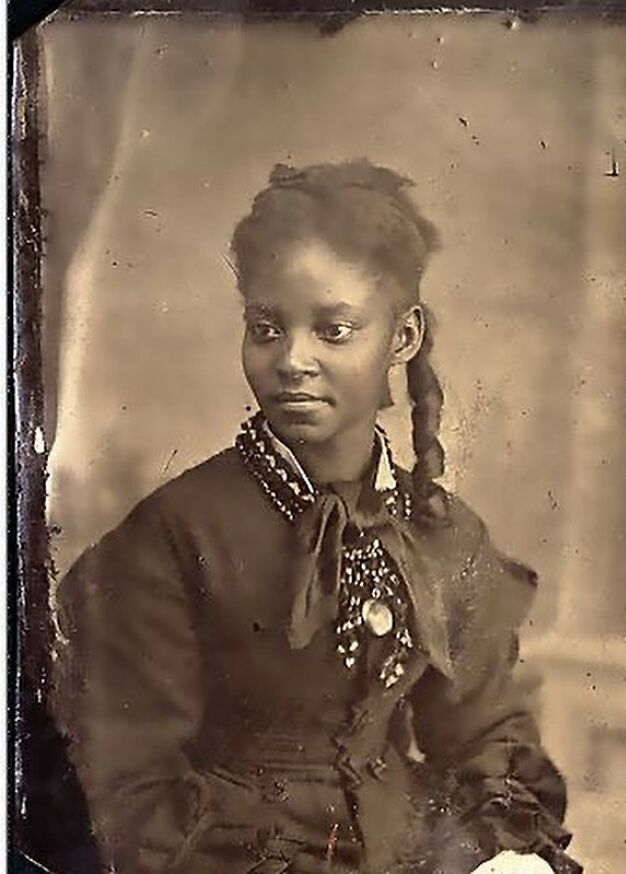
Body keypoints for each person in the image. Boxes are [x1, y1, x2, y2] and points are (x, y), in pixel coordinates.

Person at [51, 160, 582, 874]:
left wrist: (501, 853)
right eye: (266, 329)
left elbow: (485, 731)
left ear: (403, 338)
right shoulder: (176, 537)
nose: (292, 360)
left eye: (333, 330)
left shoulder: (440, 530)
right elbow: (127, 791)